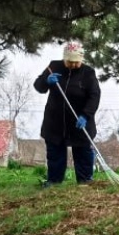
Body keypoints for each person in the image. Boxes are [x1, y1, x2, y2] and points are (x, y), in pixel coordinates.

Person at [34, 41, 100, 185]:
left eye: (76, 62)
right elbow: (38, 86)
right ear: (64, 58)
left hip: (79, 122)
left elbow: (94, 96)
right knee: (55, 152)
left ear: (81, 59)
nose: (73, 65)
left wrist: (86, 115)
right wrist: (46, 81)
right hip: (55, 122)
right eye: (70, 62)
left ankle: (85, 181)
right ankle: (54, 181)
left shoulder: (88, 73)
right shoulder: (53, 67)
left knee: (83, 151)